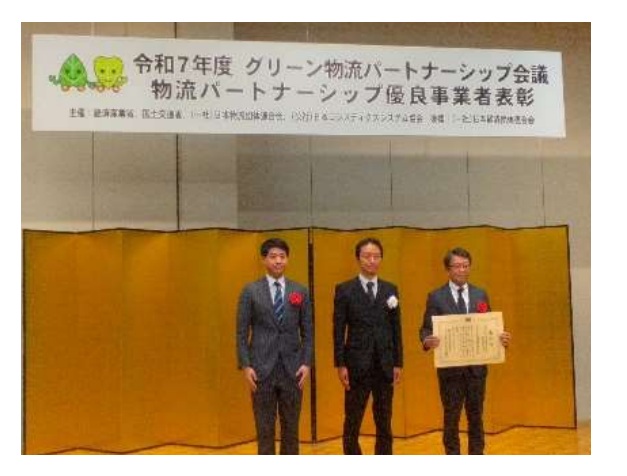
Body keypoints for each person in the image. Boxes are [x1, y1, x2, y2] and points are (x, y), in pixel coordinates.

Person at [420, 247, 511, 455]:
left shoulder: (480, 294)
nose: (462, 270)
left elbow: (490, 326)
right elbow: (425, 328)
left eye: (466, 266)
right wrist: (427, 340)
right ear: (448, 269)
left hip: (476, 371)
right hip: (450, 372)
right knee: (451, 419)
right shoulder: (436, 297)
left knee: (476, 417)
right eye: (457, 266)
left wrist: (501, 337)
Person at [236, 238, 313, 455]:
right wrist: (246, 365)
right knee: (264, 430)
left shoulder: (300, 291)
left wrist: (306, 363)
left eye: (282, 256)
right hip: (261, 370)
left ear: (287, 259)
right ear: (264, 260)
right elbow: (241, 332)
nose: (278, 261)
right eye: (273, 256)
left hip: (293, 370)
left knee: (291, 430)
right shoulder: (250, 291)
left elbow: (308, 331)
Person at [333, 237, 403, 455]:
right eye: (367, 256)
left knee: (384, 421)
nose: (372, 260)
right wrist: (340, 364)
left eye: (376, 256)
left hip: (384, 365)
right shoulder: (345, 290)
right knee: (352, 420)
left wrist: (398, 363)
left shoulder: (390, 289)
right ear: (358, 259)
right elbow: (338, 329)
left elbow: (396, 329)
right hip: (356, 365)